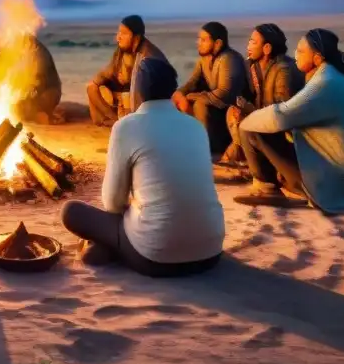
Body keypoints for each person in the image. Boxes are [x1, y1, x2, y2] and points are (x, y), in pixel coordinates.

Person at [61, 58, 225, 276]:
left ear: (136, 91)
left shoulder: (126, 126)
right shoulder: (195, 126)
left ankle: (108, 248)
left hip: (155, 258)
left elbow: (112, 204)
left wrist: (134, 204)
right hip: (210, 253)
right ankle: (109, 247)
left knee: (71, 211)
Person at [236, 28, 344, 212]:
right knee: (268, 125)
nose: (295, 54)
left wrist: (244, 122)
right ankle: (280, 179)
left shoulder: (325, 83)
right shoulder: (334, 78)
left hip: (337, 187)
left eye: (302, 51)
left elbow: (280, 116)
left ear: (317, 58)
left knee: (254, 128)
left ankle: (266, 188)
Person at [222, 23, 304, 166]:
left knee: (250, 125)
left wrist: (250, 110)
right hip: (263, 118)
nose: (248, 46)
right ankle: (246, 158)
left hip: (286, 134)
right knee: (233, 112)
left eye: (253, 42)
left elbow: (282, 114)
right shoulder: (252, 66)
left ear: (267, 48)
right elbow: (240, 93)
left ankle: (265, 174)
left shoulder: (284, 70)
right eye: (249, 41)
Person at [172, 21, 246, 155]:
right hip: (214, 112)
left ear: (218, 43)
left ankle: (206, 148)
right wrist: (178, 95)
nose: (198, 42)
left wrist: (190, 97)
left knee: (200, 105)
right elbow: (192, 83)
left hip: (231, 115)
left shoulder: (229, 59)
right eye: (198, 39)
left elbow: (224, 94)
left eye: (204, 40)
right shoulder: (204, 60)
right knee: (176, 102)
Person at [86, 15, 167, 127]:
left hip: (143, 102)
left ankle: (124, 122)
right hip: (123, 95)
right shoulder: (121, 51)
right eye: (118, 33)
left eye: (123, 33)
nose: (118, 38)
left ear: (136, 38)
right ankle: (113, 120)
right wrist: (99, 80)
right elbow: (108, 72)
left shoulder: (148, 56)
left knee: (129, 95)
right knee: (92, 87)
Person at [14, 34, 64, 124]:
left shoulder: (38, 53)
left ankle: (42, 115)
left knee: (16, 107)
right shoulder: (24, 52)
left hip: (47, 94)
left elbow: (39, 81)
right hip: (39, 92)